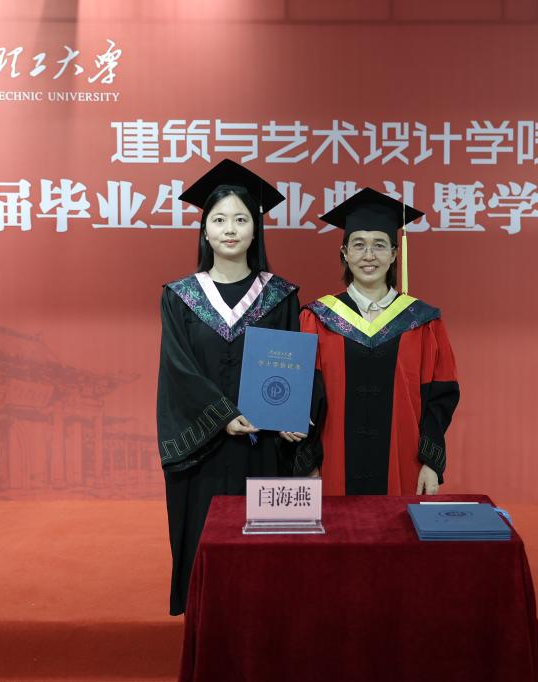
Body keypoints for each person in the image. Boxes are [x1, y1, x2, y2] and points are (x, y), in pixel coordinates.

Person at [157, 159, 301, 615]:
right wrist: (222, 416)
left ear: (256, 230)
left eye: (241, 219)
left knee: (266, 557)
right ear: (205, 231)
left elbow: (294, 363)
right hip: (206, 447)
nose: (230, 229)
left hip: (265, 445)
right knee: (210, 547)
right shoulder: (180, 296)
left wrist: (295, 412)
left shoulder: (281, 295)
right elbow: (177, 368)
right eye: (219, 220)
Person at [295, 188, 460, 496]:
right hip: (331, 467)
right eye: (358, 245)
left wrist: (431, 462)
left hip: (405, 464)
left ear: (394, 254)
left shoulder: (423, 321)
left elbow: (440, 398)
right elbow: (303, 397)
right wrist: (307, 463)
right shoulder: (316, 318)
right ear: (344, 252)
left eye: (379, 245)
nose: (368, 255)